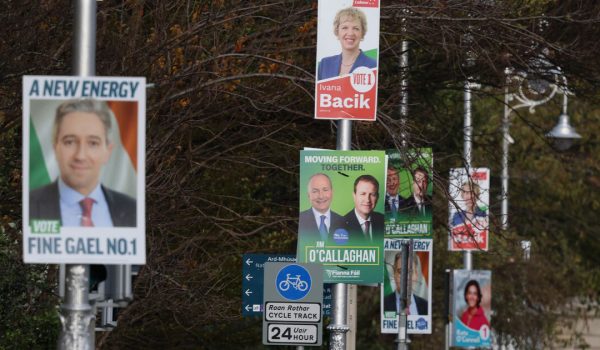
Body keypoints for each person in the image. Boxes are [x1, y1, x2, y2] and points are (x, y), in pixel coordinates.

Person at [29, 99, 136, 227]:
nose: (80, 156)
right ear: (55, 148)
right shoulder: (30, 206)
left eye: (93, 143)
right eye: (70, 142)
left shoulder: (132, 210)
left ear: (108, 151)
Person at [317, 7, 377, 80]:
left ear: (362, 33)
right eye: (345, 27)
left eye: (356, 28)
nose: (350, 33)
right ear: (337, 31)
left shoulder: (373, 65)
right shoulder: (324, 64)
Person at [298, 173, 344, 242]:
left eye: (325, 190)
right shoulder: (299, 220)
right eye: (315, 191)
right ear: (308, 195)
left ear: (332, 192)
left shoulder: (343, 222)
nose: (321, 196)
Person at [342, 175, 384, 243]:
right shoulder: (340, 225)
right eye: (363, 194)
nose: (367, 200)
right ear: (354, 196)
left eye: (372, 194)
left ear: (377, 197)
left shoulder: (383, 221)